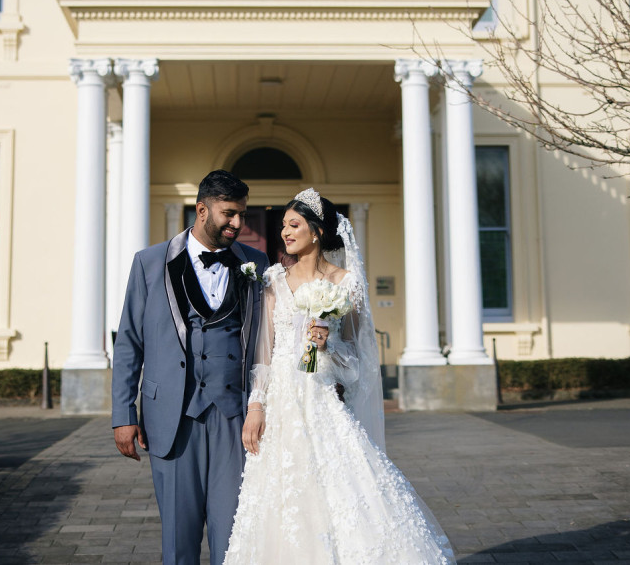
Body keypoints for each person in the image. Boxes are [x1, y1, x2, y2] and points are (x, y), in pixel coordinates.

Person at [224, 188, 456, 564]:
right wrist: (256, 405)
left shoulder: (346, 284)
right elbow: (263, 354)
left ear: (316, 231)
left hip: (321, 401)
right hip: (280, 406)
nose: (285, 232)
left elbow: (355, 365)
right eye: (283, 225)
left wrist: (326, 345)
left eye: (294, 224)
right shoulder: (272, 280)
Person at [112, 170, 270, 565]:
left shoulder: (256, 263)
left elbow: (270, 337)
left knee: (234, 538)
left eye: (242, 215)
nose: (238, 224)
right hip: (172, 416)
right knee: (179, 543)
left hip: (235, 420)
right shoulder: (149, 263)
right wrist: (122, 414)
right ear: (202, 210)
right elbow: (129, 341)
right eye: (229, 214)